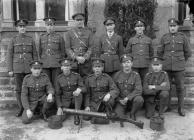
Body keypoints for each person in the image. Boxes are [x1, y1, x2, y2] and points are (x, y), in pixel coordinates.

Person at [157, 18, 192, 116]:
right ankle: (167, 106)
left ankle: (181, 108)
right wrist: (164, 61)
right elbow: (159, 52)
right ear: (168, 27)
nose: (172, 28)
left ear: (177, 27)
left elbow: (188, 52)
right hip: (167, 67)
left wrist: (181, 61)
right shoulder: (164, 37)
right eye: (170, 26)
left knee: (180, 88)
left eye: (174, 26)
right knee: (166, 88)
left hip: (179, 68)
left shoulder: (182, 37)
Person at [7, 19, 38, 117]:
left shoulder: (30, 39)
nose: (22, 28)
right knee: (19, 89)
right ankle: (21, 108)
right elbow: (9, 55)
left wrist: (36, 67)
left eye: (24, 26)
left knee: (31, 88)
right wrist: (10, 69)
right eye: (20, 27)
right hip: (18, 68)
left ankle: (32, 107)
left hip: (29, 68)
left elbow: (35, 54)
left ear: (26, 28)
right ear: (17, 28)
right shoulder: (13, 40)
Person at [84, 57, 119, 124]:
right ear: (93, 68)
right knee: (86, 117)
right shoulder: (88, 79)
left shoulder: (107, 77)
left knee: (110, 100)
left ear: (102, 68)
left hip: (104, 102)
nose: (97, 68)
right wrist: (87, 106)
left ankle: (107, 112)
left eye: (99, 67)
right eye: (95, 67)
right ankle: (101, 116)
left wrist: (109, 94)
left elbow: (115, 90)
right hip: (93, 102)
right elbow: (87, 94)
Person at [55, 58, 86, 125]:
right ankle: (65, 111)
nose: (66, 68)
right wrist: (59, 107)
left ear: (70, 67)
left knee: (79, 94)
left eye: (68, 66)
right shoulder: (58, 78)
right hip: (65, 100)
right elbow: (57, 94)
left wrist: (79, 90)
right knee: (59, 118)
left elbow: (84, 87)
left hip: (75, 99)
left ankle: (76, 114)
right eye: (64, 66)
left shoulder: (76, 76)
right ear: (61, 67)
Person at [113, 54, 143, 121]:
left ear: (132, 63)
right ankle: (123, 110)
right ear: (121, 64)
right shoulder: (117, 75)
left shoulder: (136, 75)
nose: (126, 64)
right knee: (118, 117)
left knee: (139, 99)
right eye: (124, 62)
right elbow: (114, 89)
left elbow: (138, 90)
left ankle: (132, 113)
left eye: (128, 62)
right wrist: (118, 99)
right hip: (121, 101)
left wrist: (128, 98)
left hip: (132, 100)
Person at [38, 17, 65, 87]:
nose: (49, 27)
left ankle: (56, 97)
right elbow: (39, 52)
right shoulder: (41, 37)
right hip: (45, 64)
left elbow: (63, 52)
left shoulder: (59, 37)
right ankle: (48, 97)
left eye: (51, 25)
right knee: (46, 83)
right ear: (45, 26)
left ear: (54, 26)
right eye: (48, 25)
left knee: (56, 84)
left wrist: (61, 64)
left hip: (56, 64)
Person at [65, 13, 94, 78]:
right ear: (74, 21)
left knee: (86, 80)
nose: (79, 22)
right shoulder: (69, 33)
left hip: (86, 62)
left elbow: (91, 47)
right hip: (74, 62)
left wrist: (85, 57)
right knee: (73, 80)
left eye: (81, 20)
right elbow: (67, 48)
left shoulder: (89, 33)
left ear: (83, 20)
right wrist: (76, 58)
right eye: (77, 20)